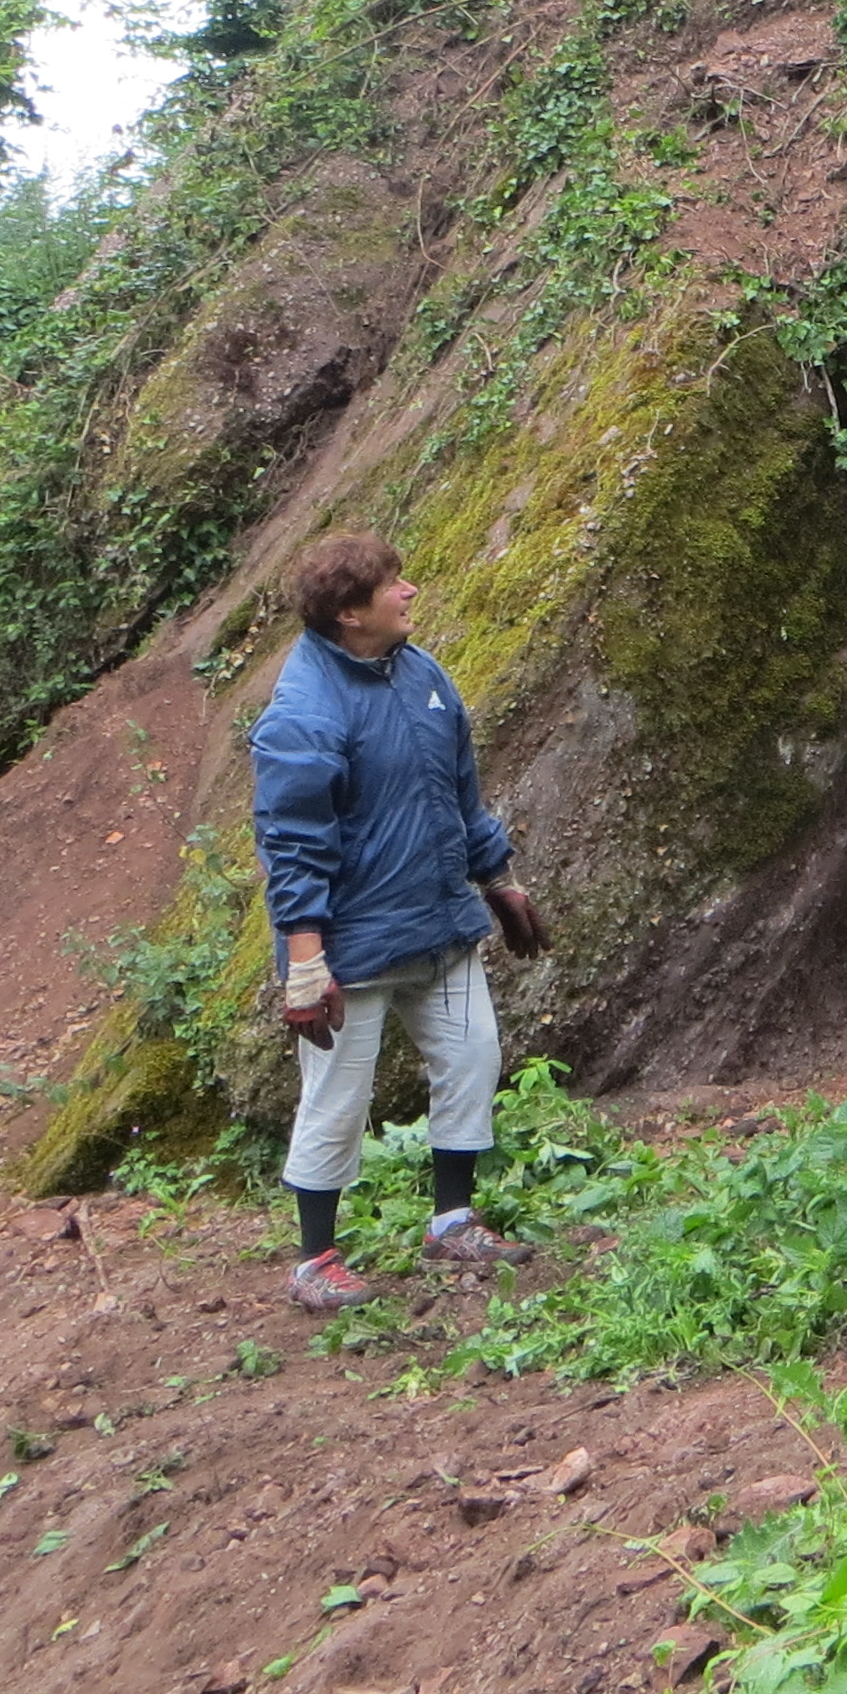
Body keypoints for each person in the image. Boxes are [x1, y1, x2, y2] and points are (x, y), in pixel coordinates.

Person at [256, 530, 549, 1312]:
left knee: (473, 1059)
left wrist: (499, 880)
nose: (409, 590)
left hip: (440, 922)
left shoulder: (422, 675)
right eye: (393, 584)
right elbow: (291, 843)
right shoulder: (304, 710)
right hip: (351, 946)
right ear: (351, 614)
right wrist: (306, 960)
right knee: (337, 1100)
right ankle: (315, 1261)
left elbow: (459, 793)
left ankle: (452, 1222)